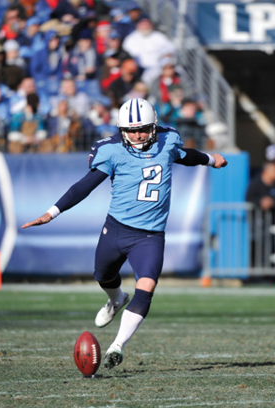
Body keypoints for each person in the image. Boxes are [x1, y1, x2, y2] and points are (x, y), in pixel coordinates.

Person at [21, 98, 227, 370]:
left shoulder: (168, 141)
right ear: (121, 130)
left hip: (151, 235)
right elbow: (85, 186)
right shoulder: (112, 152)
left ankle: (117, 346)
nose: (137, 134)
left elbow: (186, 155)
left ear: (153, 127)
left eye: (142, 128)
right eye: (131, 130)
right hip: (117, 228)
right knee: (102, 275)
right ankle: (116, 298)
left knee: (147, 285)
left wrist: (211, 159)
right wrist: (53, 212)